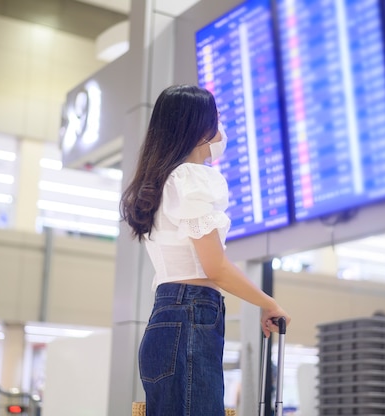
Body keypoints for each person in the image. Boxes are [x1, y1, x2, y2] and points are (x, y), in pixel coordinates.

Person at [120, 84, 291, 415]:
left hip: (166, 317)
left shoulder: (161, 181)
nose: (221, 128)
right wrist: (268, 303)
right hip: (191, 315)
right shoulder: (193, 178)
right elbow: (215, 267)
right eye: (217, 119)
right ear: (201, 128)